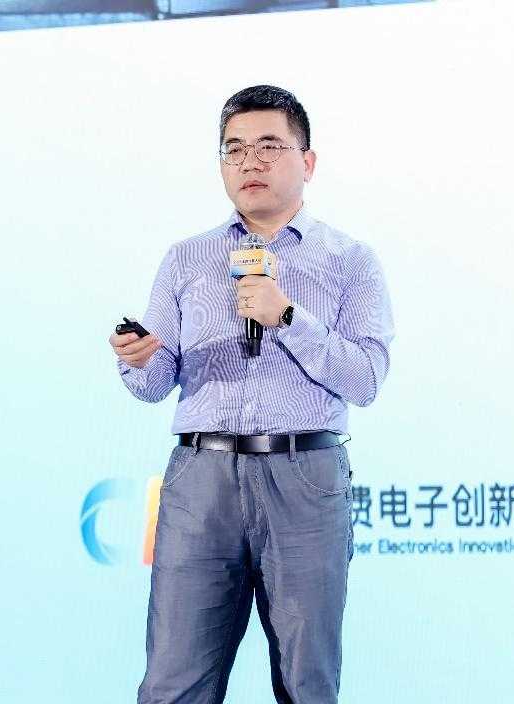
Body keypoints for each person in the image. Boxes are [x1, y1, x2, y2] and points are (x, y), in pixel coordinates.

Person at [108, 84, 395, 703]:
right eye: (234, 149)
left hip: (304, 475)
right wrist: (140, 358)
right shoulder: (186, 258)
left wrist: (286, 317)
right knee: (172, 681)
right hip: (200, 477)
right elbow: (154, 386)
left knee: (306, 682)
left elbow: (367, 379)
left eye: (268, 146)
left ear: (307, 162)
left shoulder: (350, 261)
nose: (249, 162)